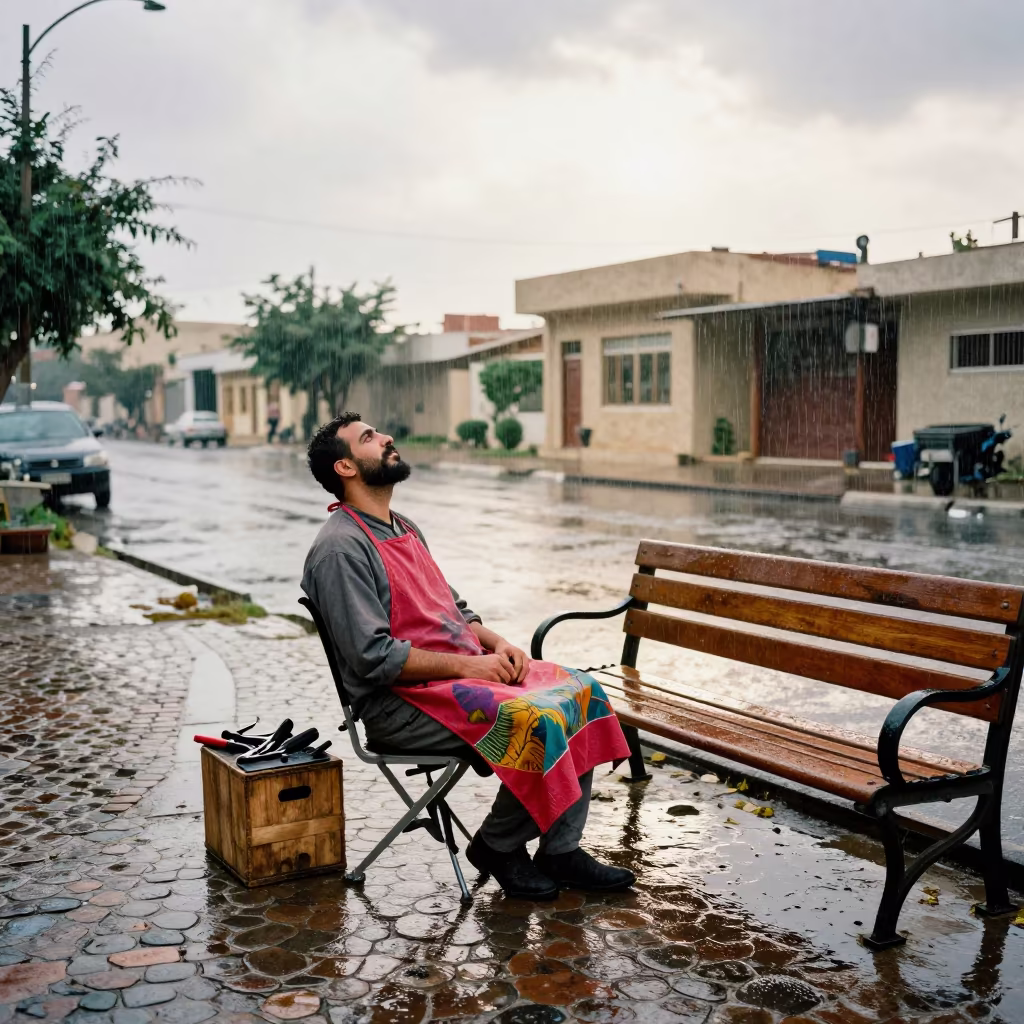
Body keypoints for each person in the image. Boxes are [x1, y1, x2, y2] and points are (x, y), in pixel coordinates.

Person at [301, 412, 636, 900]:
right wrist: (470, 665)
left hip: (463, 680)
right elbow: (372, 657)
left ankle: (560, 850)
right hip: (400, 704)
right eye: (369, 438)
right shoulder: (340, 550)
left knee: (580, 692)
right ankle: (497, 846)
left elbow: (454, 610)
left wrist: (497, 645)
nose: (386, 438)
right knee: (535, 720)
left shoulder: (403, 526)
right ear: (346, 468)